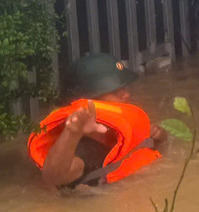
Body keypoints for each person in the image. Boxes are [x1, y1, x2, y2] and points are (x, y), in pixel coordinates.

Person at [28, 53, 166, 188]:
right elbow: (55, 178)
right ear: (90, 99)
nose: (126, 94)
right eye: (116, 91)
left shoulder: (120, 127)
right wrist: (72, 132)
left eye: (125, 88)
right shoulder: (83, 149)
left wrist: (158, 135)